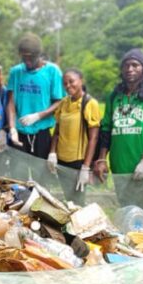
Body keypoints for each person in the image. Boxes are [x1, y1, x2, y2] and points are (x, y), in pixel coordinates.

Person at [93, 49, 143, 196]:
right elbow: (106, 129)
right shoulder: (114, 96)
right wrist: (101, 159)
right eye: (126, 65)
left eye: (135, 65)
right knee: (127, 214)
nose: (129, 69)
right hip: (120, 169)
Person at [7, 33, 65, 159]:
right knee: (17, 175)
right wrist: (12, 128)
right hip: (20, 133)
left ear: (39, 55)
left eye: (31, 58)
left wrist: (39, 116)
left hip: (41, 133)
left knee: (41, 175)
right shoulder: (16, 72)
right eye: (24, 58)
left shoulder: (52, 71)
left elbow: (59, 101)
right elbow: (11, 102)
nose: (27, 62)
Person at [47, 69, 101, 205]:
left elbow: (94, 138)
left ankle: (81, 225)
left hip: (78, 162)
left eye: (71, 81)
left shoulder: (89, 103)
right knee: (68, 198)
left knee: (78, 201)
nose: (68, 86)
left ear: (81, 80)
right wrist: (52, 153)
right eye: (65, 83)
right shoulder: (64, 103)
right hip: (62, 160)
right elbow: (57, 131)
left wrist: (85, 167)